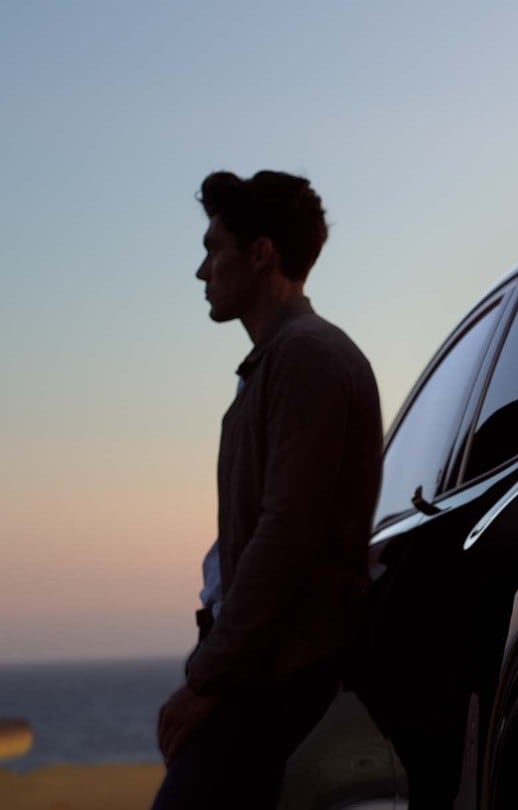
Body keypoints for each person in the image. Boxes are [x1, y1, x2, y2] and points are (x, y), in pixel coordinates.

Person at [153, 170, 383, 808]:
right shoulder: (280, 361)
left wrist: (207, 680)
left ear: (260, 254)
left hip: (276, 675)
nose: (202, 271)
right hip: (263, 668)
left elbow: (286, 535)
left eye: (213, 249)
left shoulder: (306, 357)